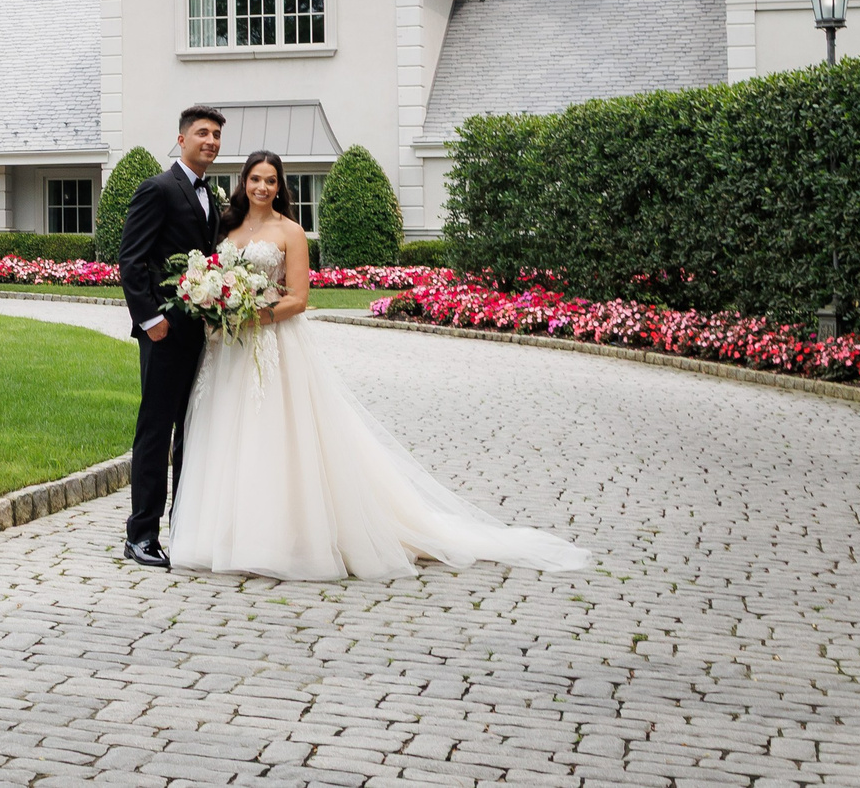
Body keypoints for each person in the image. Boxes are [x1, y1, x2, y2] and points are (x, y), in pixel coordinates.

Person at [168, 149, 593, 580]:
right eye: (255, 179)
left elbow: (298, 299)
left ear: (281, 187)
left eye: (271, 180)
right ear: (244, 181)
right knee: (226, 431)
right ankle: (222, 535)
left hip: (273, 341)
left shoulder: (290, 231)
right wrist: (217, 305)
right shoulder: (224, 225)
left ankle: (285, 537)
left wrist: (253, 316)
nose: (262, 187)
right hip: (228, 347)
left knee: (274, 434)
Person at [118, 103, 225, 568]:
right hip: (163, 334)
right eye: (203, 133)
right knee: (156, 432)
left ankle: (182, 527)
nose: (211, 142)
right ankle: (140, 534)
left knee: (191, 434)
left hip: (200, 334)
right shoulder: (158, 189)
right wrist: (149, 321)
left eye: (217, 136)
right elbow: (132, 260)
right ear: (181, 139)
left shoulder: (211, 196)